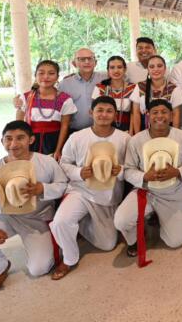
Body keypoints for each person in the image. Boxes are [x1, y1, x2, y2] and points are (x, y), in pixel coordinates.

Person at [0, 121, 68, 292]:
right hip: (8, 217)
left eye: (20, 138)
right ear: (2, 141)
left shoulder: (46, 162)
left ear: (31, 139)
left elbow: (64, 185)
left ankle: (52, 247)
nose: (13, 144)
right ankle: (0, 267)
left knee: (39, 269)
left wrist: (44, 189)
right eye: (8, 139)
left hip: (38, 219)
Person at [49, 96, 130, 280]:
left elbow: (132, 167)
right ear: (90, 112)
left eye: (109, 111)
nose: (104, 114)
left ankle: (81, 225)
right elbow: (64, 163)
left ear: (115, 115)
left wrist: (121, 170)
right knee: (61, 222)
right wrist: (79, 172)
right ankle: (69, 258)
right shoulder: (77, 137)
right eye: (99, 110)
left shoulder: (124, 138)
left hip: (108, 197)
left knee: (108, 244)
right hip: (80, 191)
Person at [115, 99, 182, 264]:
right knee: (121, 220)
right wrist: (144, 177)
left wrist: (177, 172)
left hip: (172, 194)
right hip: (146, 191)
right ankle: (135, 238)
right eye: (155, 112)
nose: (159, 116)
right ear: (148, 115)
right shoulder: (137, 140)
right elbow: (128, 170)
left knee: (175, 242)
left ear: (170, 116)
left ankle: (165, 218)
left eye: (164, 112)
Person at [16, 60, 77, 160]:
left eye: (51, 73)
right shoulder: (26, 97)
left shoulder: (65, 99)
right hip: (30, 142)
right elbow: (18, 126)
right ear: (35, 76)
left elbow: (64, 126)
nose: (46, 77)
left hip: (53, 142)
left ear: (57, 77)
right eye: (41, 73)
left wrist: (58, 150)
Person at [58, 48, 106, 132]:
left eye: (90, 58)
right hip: (74, 132)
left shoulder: (106, 78)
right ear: (74, 63)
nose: (87, 62)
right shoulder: (64, 84)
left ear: (96, 62)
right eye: (82, 59)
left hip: (102, 131)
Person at [91, 56, 140, 134]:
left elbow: (134, 113)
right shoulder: (100, 88)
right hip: (104, 130)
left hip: (126, 130)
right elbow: (95, 113)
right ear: (108, 70)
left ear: (125, 69)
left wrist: (133, 134)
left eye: (119, 67)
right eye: (112, 67)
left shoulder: (133, 87)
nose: (116, 70)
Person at [138, 55, 182, 130]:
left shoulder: (174, 89)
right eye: (152, 67)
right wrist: (138, 136)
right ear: (148, 69)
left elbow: (176, 115)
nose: (156, 69)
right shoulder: (140, 87)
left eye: (159, 66)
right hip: (145, 130)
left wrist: (174, 136)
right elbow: (135, 113)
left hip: (167, 131)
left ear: (165, 68)